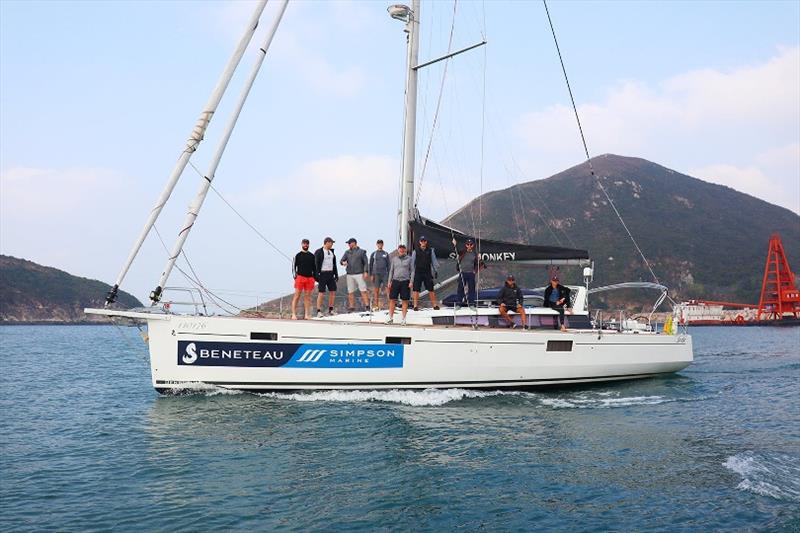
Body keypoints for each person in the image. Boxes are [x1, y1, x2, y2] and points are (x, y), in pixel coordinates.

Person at [340, 237, 370, 312]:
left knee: (363, 290)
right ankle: (351, 307)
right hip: (349, 274)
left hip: (359, 273)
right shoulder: (347, 252)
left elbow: (366, 262)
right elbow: (341, 261)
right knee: (350, 291)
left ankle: (367, 306)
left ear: (354, 243)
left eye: (349, 243)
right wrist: (342, 263)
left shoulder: (362, 252)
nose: (348, 245)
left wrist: (366, 271)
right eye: (348, 243)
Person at [386, 244, 413, 325]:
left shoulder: (410, 259)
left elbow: (412, 271)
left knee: (405, 300)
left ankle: (404, 319)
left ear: (405, 251)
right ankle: (390, 318)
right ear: (398, 251)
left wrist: (411, 281)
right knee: (392, 299)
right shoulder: (394, 259)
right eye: (400, 250)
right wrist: (389, 281)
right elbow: (391, 271)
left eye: (403, 250)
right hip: (395, 281)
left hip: (405, 281)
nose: (401, 251)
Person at [411, 236, 440, 311]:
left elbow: (434, 261)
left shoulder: (430, 250)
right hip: (418, 272)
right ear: (420, 242)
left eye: (424, 241)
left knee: (431, 289)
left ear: (426, 242)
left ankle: (434, 305)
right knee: (416, 289)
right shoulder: (415, 251)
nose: (423, 242)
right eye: (422, 241)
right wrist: (412, 274)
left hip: (427, 272)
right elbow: (412, 263)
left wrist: (436, 270)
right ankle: (415, 305)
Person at [291, 238, 316, 320]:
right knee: (297, 296)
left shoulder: (312, 256)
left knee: (307, 297)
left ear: (309, 245)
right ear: (301, 244)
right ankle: (293, 314)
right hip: (300, 277)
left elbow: (315, 268)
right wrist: (295, 277)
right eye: (304, 243)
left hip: (309, 278)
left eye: (307, 244)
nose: (305, 245)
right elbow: (293, 267)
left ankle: (307, 315)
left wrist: (314, 278)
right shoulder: (297, 255)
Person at [455, 238, 483, 308]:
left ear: (473, 245)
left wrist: (475, 271)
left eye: (471, 244)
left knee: (471, 289)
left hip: (471, 274)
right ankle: (459, 304)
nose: (469, 246)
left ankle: (471, 304)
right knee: (460, 288)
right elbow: (457, 250)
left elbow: (479, 264)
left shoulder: (475, 254)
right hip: (463, 273)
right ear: (466, 245)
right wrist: (455, 244)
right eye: (468, 244)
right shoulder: (462, 252)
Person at [314, 237, 338, 317]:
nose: (332, 244)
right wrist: (316, 275)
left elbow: (334, 264)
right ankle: (318, 311)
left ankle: (331, 310)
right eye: (331, 243)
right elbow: (316, 264)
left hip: (330, 274)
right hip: (322, 274)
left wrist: (336, 274)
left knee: (333, 291)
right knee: (321, 292)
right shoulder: (319, 252)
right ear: (327, 242)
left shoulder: (332, 252)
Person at [369, 239, 390, 311]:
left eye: (381, 243)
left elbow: (389, 265)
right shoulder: (373, 254)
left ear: (383, 245)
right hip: (376, 274)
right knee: (376, 290)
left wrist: (390, 275)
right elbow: (370, 265)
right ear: (377, 244)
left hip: (384, 274)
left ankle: (391, 305)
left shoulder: (386, 253)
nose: (380, 245)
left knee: (388, 289)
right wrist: (371, 275)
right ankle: (376, 306)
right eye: (378, 244)